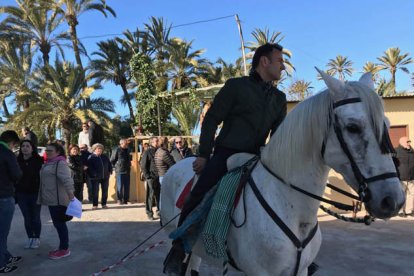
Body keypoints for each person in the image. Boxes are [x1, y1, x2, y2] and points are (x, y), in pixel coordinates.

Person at [164, 43, 287, 274]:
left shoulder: (280, 98)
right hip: (226, 155)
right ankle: (179, 248)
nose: (283, 65)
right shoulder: (236, 87)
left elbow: (278, 136)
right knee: (198, 193)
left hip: (257, 158)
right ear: (264, 61)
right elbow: (211, 120)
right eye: (279, 60)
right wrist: (203, 154)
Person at [38, 143, 74, 260]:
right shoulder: (49, 163)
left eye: (50, 151)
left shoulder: (60, 163)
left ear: (58, 152)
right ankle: (62, 247)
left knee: (60, 224)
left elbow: (67, 180)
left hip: (58, 200)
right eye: (46, 150)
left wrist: (71, 197)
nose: (47, 152)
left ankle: (64, 249)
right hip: (51, 199)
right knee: (58, 224)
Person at [0, 130, 22, 273]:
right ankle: (1, 263)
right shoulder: (7, 153)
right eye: (15, 145)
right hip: (4, 196)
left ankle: (6, 256)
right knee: (2, 231)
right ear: (12, 143)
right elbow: (17, 174)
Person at [16, 140, 43, 249]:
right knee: (26, 217)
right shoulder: (17, 161)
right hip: (21, 194)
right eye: (23, 146)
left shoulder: (38, 161)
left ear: (32, 148)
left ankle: (37, 237)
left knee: (35, 217)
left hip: (35, 193)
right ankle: (30, 238)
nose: (25, 148)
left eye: (27, 146)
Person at [140, 137, 160, 220]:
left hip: (159, 176)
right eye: (156, 141)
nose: (157, 142)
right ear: (152, 142)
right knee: (150, 196)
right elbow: (143, 165)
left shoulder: (159, 151)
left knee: (159, 195)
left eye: (158, 141)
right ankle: (149, 213)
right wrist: (148, 176)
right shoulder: (147, 152)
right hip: (151, 177)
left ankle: (159, 211)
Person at [87, 143, 112, 209]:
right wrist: (94, 174)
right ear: (94, 149)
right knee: (95, 191)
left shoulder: (105, 156)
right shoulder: (91, 157)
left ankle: (104, 204)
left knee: (105, 191)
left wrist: (110, 171)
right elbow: (90, 168)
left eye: (101, 149)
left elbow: (109, 164)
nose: (100, 150)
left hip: (105, 177)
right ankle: (95, 205)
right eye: (98, 148)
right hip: (95, 178)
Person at [396, 137, 414, 217]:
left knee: (411, 194)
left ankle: (409, 210)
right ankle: (400, 211)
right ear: (402, 143)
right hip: (401, 178)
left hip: (411, 178)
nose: (409, 143)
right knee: (401, 195)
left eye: (409, 142)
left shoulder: (412, 152)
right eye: (407, 142)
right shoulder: (396, 151)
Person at [111, 139, 132, 205]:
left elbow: (129, 159)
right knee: (120, 186)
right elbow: (112, 160)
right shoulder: (116, 150)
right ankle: (119, 199)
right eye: (125, 144)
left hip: (127, 170)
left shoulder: (128, 150)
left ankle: (126, 200)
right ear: (121, 143)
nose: (126, 145)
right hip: (119, 171)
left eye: (127, 144)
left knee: (127, 186)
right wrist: (117, 166)